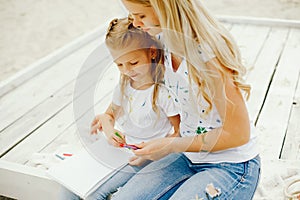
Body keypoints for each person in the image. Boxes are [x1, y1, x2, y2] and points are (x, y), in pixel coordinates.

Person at [106, 0, 261, 199]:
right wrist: (108, 117)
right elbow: (127, 53)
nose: (135, 22)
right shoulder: (161, 41)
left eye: (141, 16)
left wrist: (171, 145)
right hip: (187, 156)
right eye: (132, 15)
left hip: (232, 165)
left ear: (165, 9)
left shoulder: (208, 55)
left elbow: (238, 134)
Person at [88, 17, 181, 200]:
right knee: (90, 191)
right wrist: (109, 130)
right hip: (124, 152)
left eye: (133, 63)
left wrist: (150, 154)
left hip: (152, 157)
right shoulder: (124, 87)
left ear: (152, 53)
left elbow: (179, 131)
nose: (127, 71)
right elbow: (108, 116)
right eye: (119, 65)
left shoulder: (162, 93)